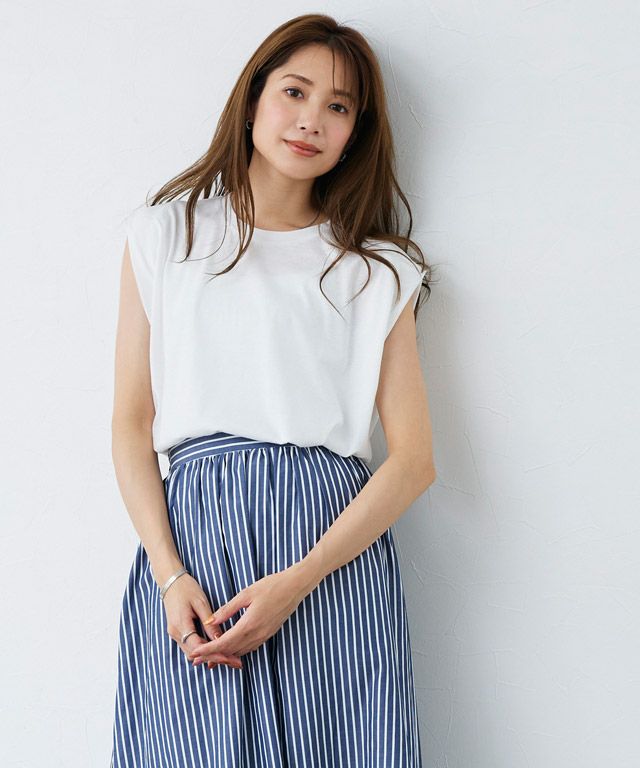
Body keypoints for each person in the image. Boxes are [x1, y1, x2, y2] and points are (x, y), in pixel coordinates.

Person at [110, 12, 436, 768]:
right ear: (254, 96)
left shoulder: (377, 271)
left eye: (338, 106)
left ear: (356, 133)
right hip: (196, 548)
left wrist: (297, 582)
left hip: (331, 556)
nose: (311, 119)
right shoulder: (167, 237)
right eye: (295, 91)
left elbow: (415, 461)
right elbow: (130, 423)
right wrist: (169, 574)